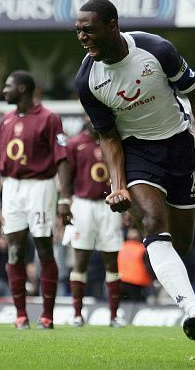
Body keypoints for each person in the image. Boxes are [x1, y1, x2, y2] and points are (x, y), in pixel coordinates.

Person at [74, 0, 195, 347]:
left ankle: (182, 295)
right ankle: (194, 312)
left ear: (112, 25)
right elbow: (108, 137)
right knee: (154, 224)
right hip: (137, 152)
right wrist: (118, 185)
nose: (83, 37)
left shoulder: (157, 50)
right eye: (79, 31)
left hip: (179, 145)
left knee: (182, 243)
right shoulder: (87, 81)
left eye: (90, 30)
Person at [0, 70, 72, 330]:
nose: (4, 90)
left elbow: (62, 159)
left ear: (23, 89)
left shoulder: (49, 119)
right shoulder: (5, 121)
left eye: (8, 86)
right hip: (12, 189)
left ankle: (47, 316)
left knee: (43, 248)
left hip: (40, 187)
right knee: (14, 249)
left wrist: (66, 199)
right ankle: (20, 316)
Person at [62, 115, 124, 328]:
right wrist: (64, 202)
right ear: (84, 118)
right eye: (90, 115)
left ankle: (114, 316)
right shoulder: (75, 144)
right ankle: (77, 314)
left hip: (109, 204)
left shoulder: (114, 139)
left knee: (112, 261)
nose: (93, 119)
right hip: (83, 205)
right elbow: (66, 177)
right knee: (80, 258)